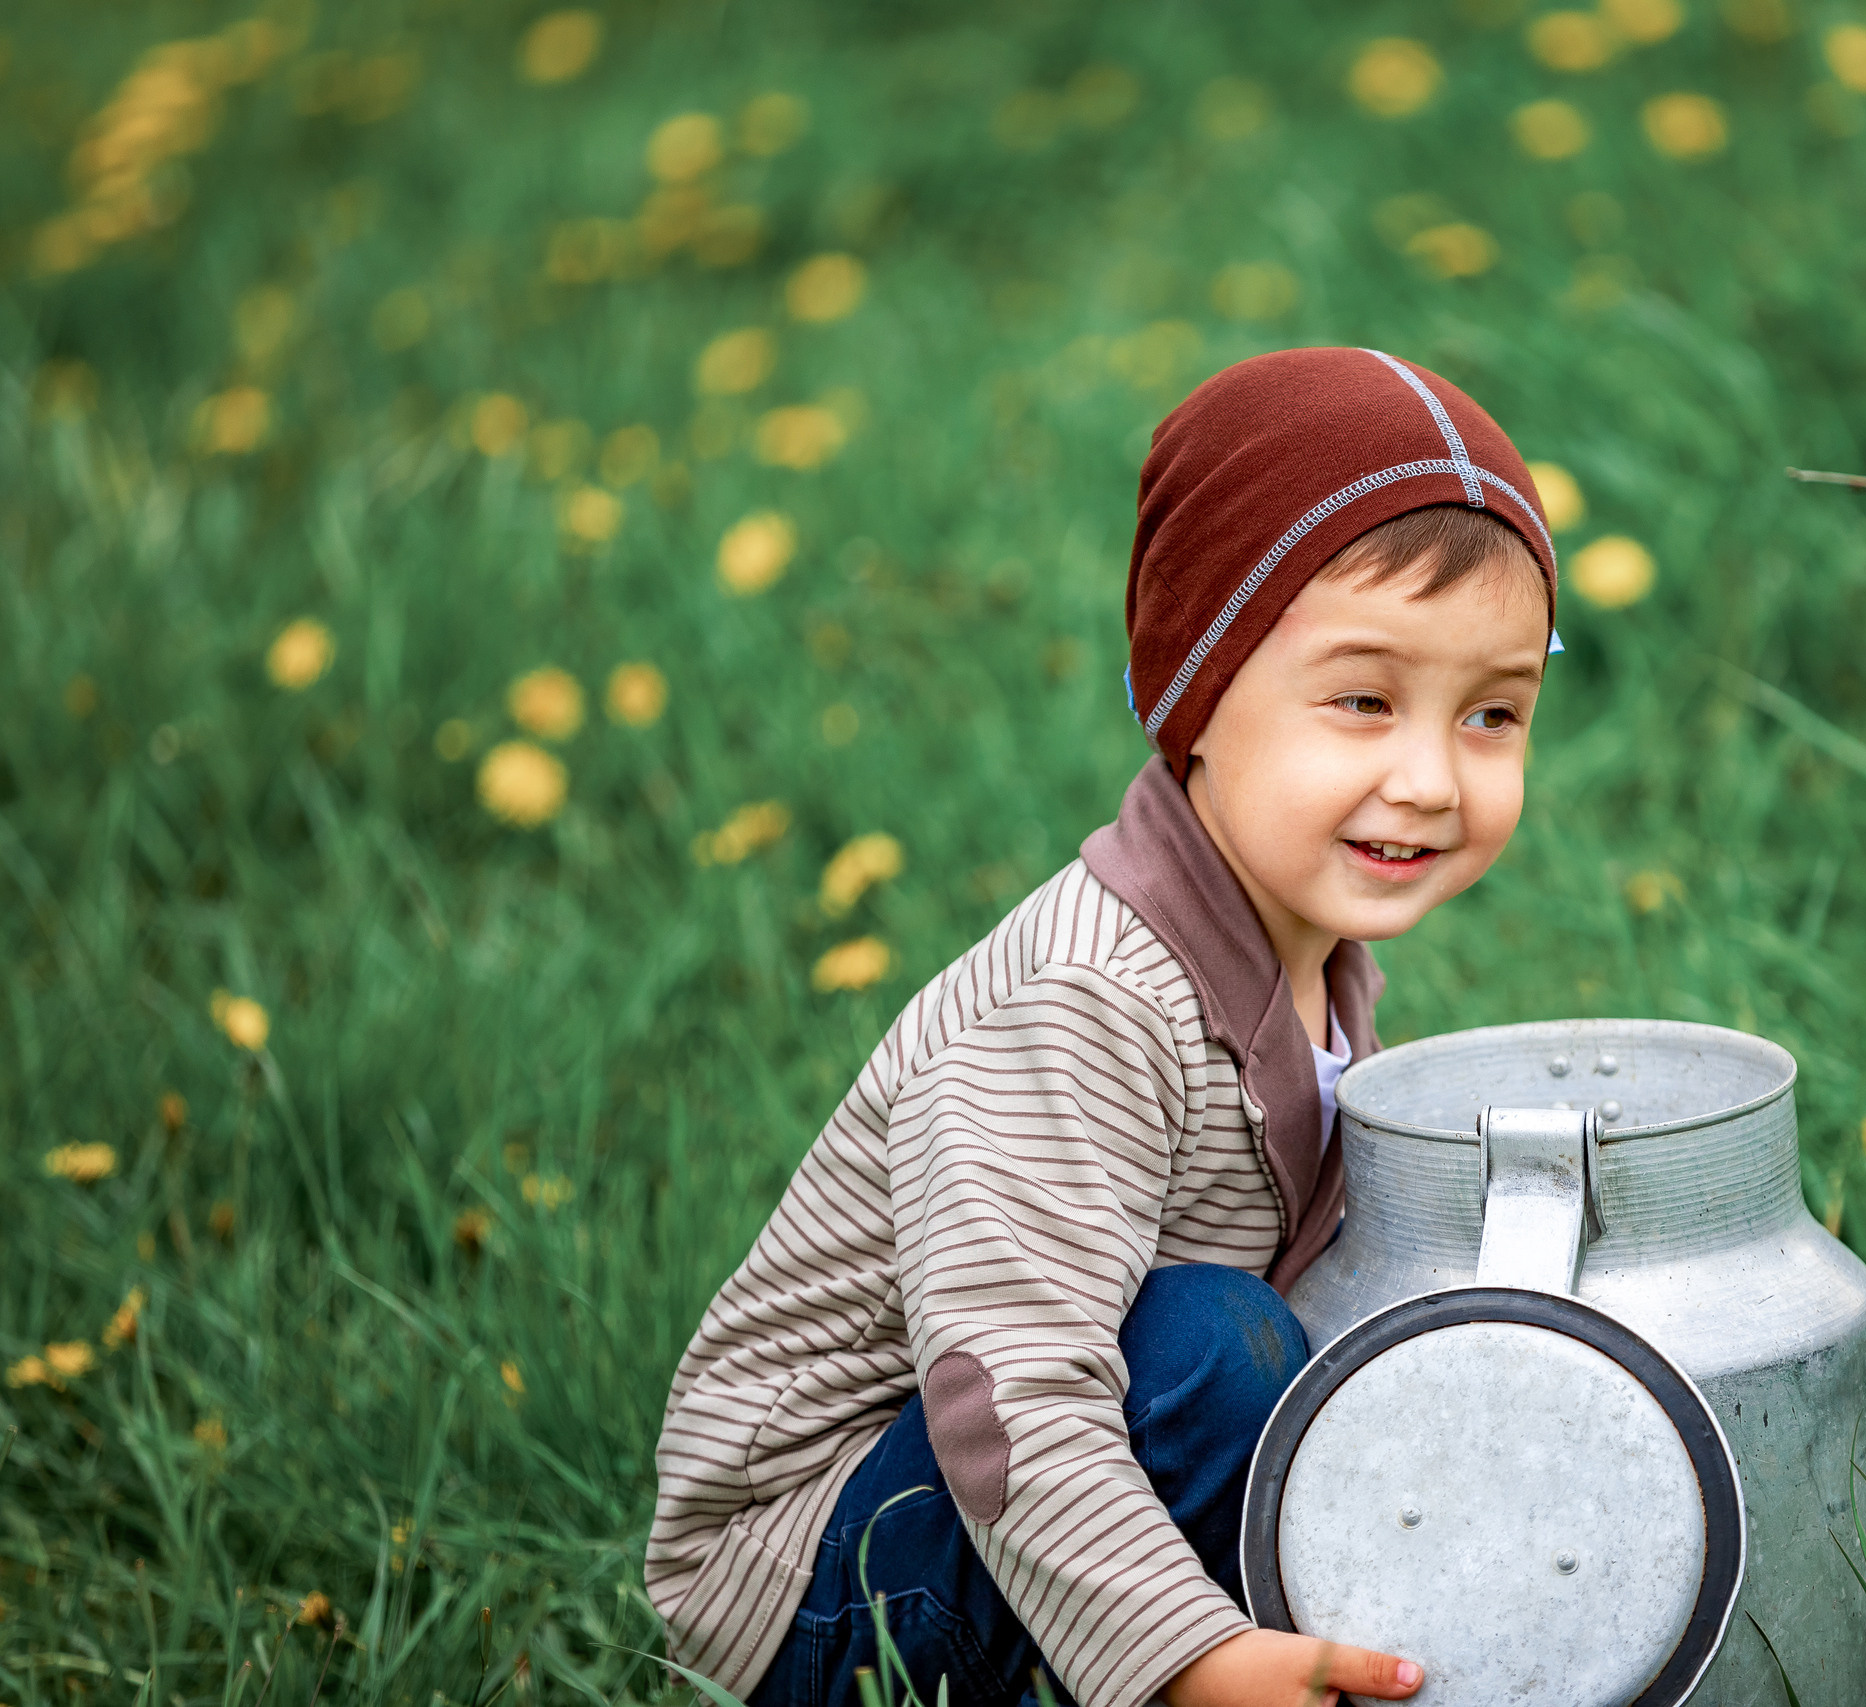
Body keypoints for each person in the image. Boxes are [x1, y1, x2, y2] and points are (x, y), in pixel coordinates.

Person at [649, 346, 1559, 1707]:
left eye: (1491, 714)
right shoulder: (1082, 1003)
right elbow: (1000, 1385)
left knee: (1283, 1343)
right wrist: (1183, 1658)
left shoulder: (1311, 960)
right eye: (1364, 699)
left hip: (1004, 1504)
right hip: (821, 1582)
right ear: (1197, 696)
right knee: (1213, 1343)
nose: (1429, 778)